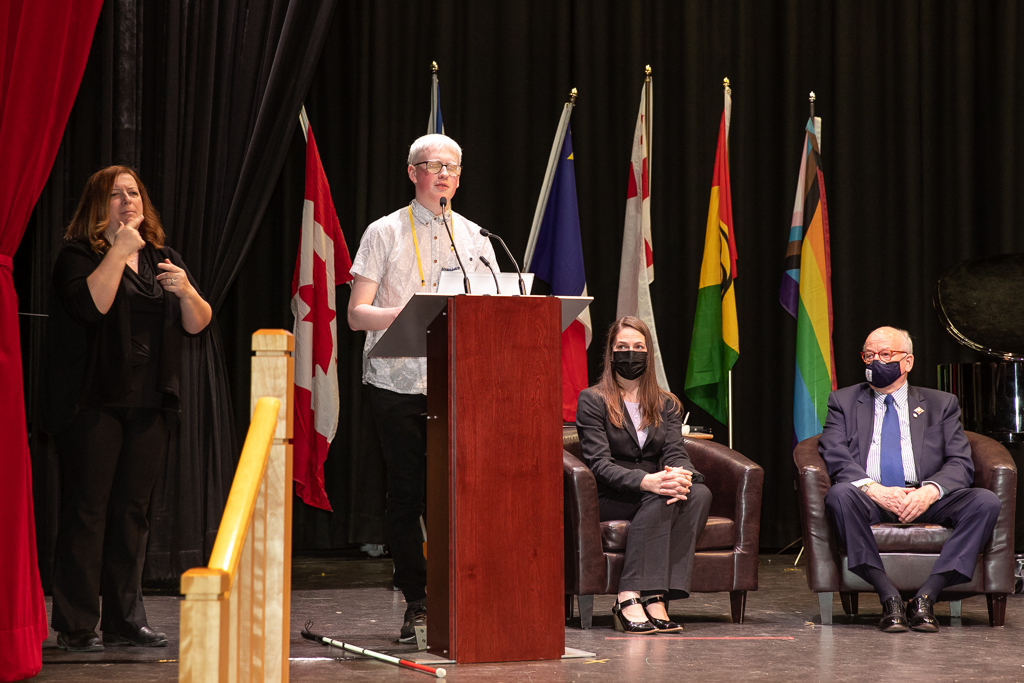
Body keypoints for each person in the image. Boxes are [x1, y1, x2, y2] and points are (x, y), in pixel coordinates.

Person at [44, 166, 212, 652]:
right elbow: (91, 307)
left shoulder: (163, 258)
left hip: (150, 402)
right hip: (93, 400)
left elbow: (198, 324)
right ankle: (76, 625)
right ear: (98, 207)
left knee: (131, 513)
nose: (127, 201)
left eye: (133, 193)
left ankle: (124, 620)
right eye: (115, 195)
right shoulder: (77, 256)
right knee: (88, 512)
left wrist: (188, 291)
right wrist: (118, 250)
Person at [347, 133, 497, 642]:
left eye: (452, 168)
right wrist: (408, 315)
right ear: (413, 173)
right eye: (433, 166)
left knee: (460, 492)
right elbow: (355, 314)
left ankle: (467, 594)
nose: (444, 175)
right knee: (408, 493)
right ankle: (418, 600)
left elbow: (496, 301)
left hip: (457, 380)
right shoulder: (384, 231)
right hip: (396, 380)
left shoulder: (476, 236)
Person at [819, 326, 1001, 633]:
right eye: (869, 355)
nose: (875, 361)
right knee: (839, 495)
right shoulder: (843, 401)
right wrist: (874, 489)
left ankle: (926, 596)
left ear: (908, 362)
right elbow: (834, 453)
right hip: (871, 497)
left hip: (924, 497)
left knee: (985, 501)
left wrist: (929, 492)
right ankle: (888, 596)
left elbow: (960, 462)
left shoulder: (941, 404)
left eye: (885, 354)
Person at [575, 316, 712, 633]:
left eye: (638, 347)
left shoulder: (666, 404)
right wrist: (646, 481)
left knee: (699, 492)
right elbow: (599, 463)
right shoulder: (593, 400)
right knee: (660, 496)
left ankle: (654, 594)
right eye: (622, 347)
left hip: (654, 490)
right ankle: (629, 596)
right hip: (612, 493)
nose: (630, 353)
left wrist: (681, 477)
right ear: (610, 354)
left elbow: (676, 452)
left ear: (649, 354)